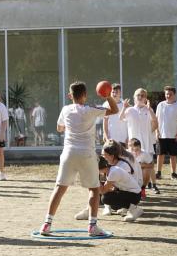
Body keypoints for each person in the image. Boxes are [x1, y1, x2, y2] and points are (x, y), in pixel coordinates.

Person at [38, 81, 118, 237]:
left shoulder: (65, 109)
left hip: (69, 153)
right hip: (86, 154)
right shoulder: (91, 110)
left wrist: (71, 125)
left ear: (70, 96)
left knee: (59, 188)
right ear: (85, 95)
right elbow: (114, 109)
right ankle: (92, 226)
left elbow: (59, 128)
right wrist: (108, 96)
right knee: (94, 189)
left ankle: (47, 224)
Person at [97, 156, 144, 222]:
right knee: (112, 203)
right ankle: (130, 208)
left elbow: (103, 191)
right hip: (131, 193)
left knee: (105, 198)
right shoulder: (111, 169)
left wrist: (95, 178)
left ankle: (134, 210)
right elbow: (106, 189)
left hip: (134, 195)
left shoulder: (113, 172)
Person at [155, 86, 177, 180]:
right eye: (166, 94)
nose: (168, 96)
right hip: (161, 134)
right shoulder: (160, 105)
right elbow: (156, 119)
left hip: (173, 135)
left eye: (170, 94)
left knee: (173, 155)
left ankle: (173, 173)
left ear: (174, 94)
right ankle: (158, 172)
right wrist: (157, 131)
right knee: (160, 154)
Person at [119, 88, 158, 158]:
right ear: (134, 97)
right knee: (134, 166)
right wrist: (124, 107)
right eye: (138, 95)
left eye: (142, 96)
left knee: (147, 166)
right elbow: (120, 118)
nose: (140, 97)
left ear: (146, 98)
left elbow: (155, 121)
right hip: (134, 144)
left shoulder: (148, 109)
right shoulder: (130, 110)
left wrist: (149, 109)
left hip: (146, 143)